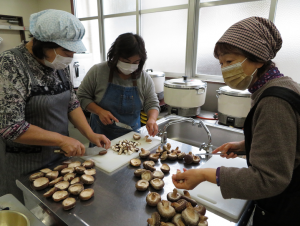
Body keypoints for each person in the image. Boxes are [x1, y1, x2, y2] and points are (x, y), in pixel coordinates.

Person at [172, 17, 300, 225]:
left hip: (287, 209)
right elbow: (285, 145)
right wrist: (244, 146)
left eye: (230, 62)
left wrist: (205, 174)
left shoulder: (274, 102)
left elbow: (269, 179)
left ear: (258, 58)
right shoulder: (277, 86)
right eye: (221, 64)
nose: (224, 70)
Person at [0, 9, 110, 202]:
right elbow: (11, 127)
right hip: (24, 164)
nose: (71, 57)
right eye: (67, 51)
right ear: (43, 44)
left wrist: (90, 134)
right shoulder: (10, 64)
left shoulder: (57, 64)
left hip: (60, 159)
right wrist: (60, 139)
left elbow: (72, 102)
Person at [77, 33, 160, 143]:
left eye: (136, 62)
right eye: (126, 62)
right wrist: (99, 111)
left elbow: (152, 103)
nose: (130, 66)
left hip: (132, 136)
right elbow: (82, 96)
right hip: (101, 136)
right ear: (115, 56)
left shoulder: (144, 78)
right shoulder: (98, 71)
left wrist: (152, 119)